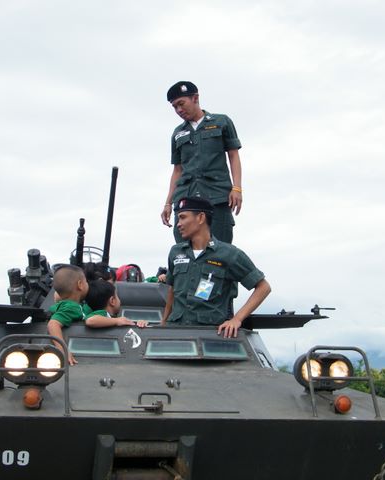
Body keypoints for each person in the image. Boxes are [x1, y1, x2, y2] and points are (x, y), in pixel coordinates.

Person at [161, 197, 271, 338]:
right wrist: (163, 324)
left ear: (201, 218)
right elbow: (172, 289)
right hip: (176, 334)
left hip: (210, 337)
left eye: (183, 217)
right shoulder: (176, 252)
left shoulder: (229, 254)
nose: (178, 224)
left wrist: (237, 319)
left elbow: (263, 287)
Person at [161, 81, 243, 244]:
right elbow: (177, 170)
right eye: (175, 107)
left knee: (220, 249)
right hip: (186, 199)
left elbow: (233, 156)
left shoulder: (221, 122)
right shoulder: (178, 133)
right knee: (184, 251)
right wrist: (168, 203)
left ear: (195, 98)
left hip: (217, 195)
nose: (179, 110)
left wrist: (237, 188)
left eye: (181, 104)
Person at [47, 265, 89, 365]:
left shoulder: (66, 305)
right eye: (86, 282)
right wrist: (63, 349)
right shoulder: (71, 307)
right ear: (80, 285)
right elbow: (53, 324)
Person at [84, 280, 149, 328]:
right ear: (112, 301)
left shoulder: (109, 318)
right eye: (117, 296)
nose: (119, 300)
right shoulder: (103, 313)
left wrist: (140, 323)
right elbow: (90, 321)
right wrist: (117, 321)